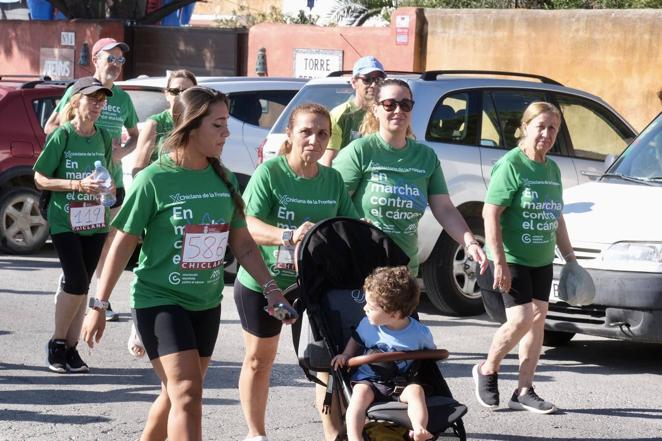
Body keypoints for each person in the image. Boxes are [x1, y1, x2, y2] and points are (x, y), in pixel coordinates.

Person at [80, 86, 286, 441]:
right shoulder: (154, 179)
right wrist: (98, 304)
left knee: (176, 394)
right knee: (188, 393)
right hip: (159, 299)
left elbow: (243, 243)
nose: (227, 133)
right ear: (191, 126)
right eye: (218, 125)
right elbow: (122, 242)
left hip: (205, 303)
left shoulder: (223, 179)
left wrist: (272, 290)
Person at [327, 78, 486, 440]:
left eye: (405, 104)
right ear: (376, 108)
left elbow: (443, 206)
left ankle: (398, 429)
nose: (398, 110)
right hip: (361, 276)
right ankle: (342, 430)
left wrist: (468, 240)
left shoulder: (424, 157)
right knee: (353, 359)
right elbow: (336, 197)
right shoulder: (361, 152)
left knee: (403, 358)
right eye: (389, 104)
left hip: (402, 278)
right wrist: (356, 221)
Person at [234, 103, 359, 441]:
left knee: (327, 363)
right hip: (266, 281)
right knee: (261, 360)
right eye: (306, 131)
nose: (314, 140)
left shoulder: (332, 180)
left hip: (315, 286)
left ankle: (334, 434)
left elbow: (349, 226)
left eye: (322, 134)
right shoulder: (270, 173)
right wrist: (288, 236)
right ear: (289, 134)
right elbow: (247, 225)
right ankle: (256, 433)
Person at [473, 101, 576, 415]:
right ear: (525, 127)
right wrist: (499, 261)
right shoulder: (512, 164)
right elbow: (490, 213)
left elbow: (555, 216)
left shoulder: (552, 168)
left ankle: (524, 390)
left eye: (552, 128)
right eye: (540, 126)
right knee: (521, 318)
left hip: (541, 259)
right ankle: (487, 369)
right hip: (513, 257)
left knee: (537, 322)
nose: (546, 134)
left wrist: (570, 257)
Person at [45, 37, 140, 322]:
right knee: (76, 242)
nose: (116, 65)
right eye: (110, 59)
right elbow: (51, 127)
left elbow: (135, 136)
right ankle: (72, 287)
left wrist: (119, 153)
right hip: (75, 186)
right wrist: (77, 140)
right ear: (96, 59)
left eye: (120, 61)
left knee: (106, 242)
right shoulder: (78, 90)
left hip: (108, 187)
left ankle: (99, 299)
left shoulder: (122, 98)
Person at [33, 77, 115, 374]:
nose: (97, 105)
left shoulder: (104, 137)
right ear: (76, 102)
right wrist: (76, 184)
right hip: (64, 220)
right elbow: (40, 177)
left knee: (82, 285)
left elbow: (108, 176)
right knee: (76, 280)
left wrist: (108, 190)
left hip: (95, 221)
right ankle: (57, 343)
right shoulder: (62, 136)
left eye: (101, 100)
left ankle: (70, 349)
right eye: (92, 99)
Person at [331, 266, 436, 441]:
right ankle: (355, 437)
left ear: (394, 314)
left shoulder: (420, 333)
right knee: (359, 396)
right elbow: (356, 340)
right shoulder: (367, 325)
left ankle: (419, 429)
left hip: (402, 382)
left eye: (371, 307)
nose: (364, 309)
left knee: (416, 392)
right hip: (370, 381)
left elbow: (431, 353)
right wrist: (346, 355)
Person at [319, 56, 385, 167]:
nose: (373, 85)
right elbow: (328, 161)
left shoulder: (387, 112)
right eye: (367, 79)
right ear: (354, 82)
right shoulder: (340, 114)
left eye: (378, 80)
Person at [131, 69, 197, 176]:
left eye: (186, 91)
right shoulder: (155, 124)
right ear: (167, 94)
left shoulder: (201, 122)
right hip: (162, 187)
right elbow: (138, 169)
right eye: (175, 91)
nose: (180, 95)